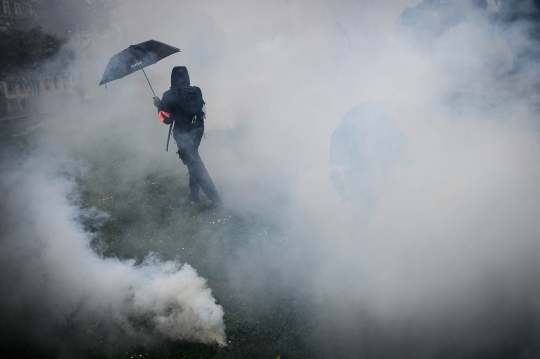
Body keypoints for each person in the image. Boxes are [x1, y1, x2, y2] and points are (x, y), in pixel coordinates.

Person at [329, 102, 406, 237]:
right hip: (359, 175)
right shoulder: (350, 124)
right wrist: (346, 192)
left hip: (382, 173)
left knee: (389, 216)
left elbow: (402, 147)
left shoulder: (385, 122)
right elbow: (336, 165)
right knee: (361, 216)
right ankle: (360, 247)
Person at [153, 66, 222, 209]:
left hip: (183, 132)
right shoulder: (196, 90)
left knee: (195, 165)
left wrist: (159, 105)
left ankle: (215, 199)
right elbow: (202, 110)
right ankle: (194, 195)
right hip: (197, 130)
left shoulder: (169, 94)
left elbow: (166, 120)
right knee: (193, 161)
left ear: (172, 78)